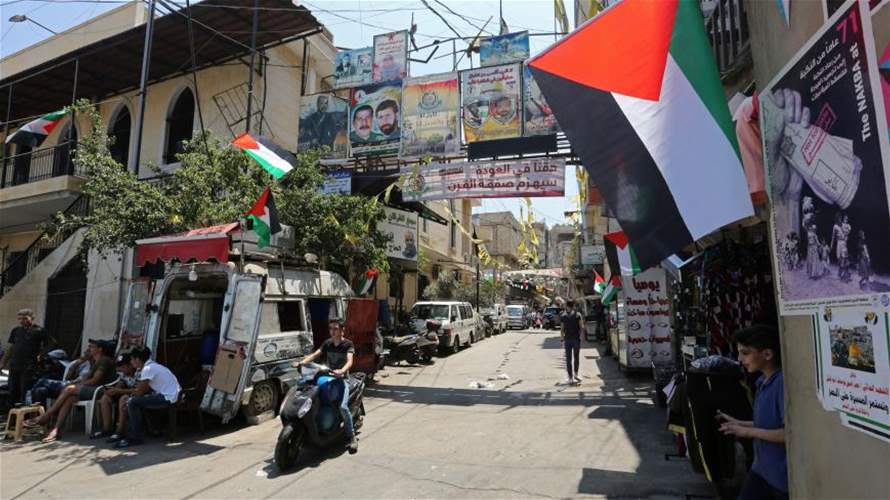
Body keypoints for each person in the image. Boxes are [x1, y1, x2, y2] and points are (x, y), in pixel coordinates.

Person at [717, 325, 787, 500]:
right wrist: (737, 424)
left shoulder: (781, 384)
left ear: (767, 354)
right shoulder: (762, 381)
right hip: (760, 470)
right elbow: (767, 425)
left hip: (779, 478)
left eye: (745, 353)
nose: (739, 359)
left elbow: (787, 434)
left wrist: (747, 432)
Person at [26, 339, 117, 443]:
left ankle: (46, 416)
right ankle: (56, 430)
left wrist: (79, 384)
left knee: (69, 388)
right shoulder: (95, 361)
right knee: (69, 399)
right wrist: (80, 367)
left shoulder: (104, 360)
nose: (89, 349)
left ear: (100, 349)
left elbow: (95, 380)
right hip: (92, 389)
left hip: (100, 390)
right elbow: (87, 378)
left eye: (91, 346)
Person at [293, 319, 358, 454]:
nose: (332, 331)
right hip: (326, 378)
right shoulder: (327, 343)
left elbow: (350, 361)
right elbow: (315, 355)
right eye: (331, 329)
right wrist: (301, 363)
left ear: (342, 330)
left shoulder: (348, 344)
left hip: (342, 379)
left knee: (343, 407)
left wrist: (342, 371)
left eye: (335, 329)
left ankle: (351, 436)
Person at [114, 346, 181, 448]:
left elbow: (139, 392)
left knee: (132, 402)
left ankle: (135, 437)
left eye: (132, 359)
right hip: (171, 395)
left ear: (137, 359)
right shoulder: (153, 366)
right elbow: (141, 391)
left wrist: (128, 400)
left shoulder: (147, 369)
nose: (131, 362)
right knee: (133, 401)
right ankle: (150, 430)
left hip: (169, 397)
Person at [0, 308, 51, 406]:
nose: (22, 321)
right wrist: (3, 362)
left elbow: (49, 346)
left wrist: (41, 356)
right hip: (14, 364)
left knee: (25, 390)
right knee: (12, 390)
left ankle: (24, 411)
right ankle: (11, 411)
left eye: (25, 318)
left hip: (28, 366)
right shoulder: (16, 330)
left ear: (32, 318)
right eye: (20, 319)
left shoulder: (39, 331)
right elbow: (11, 347)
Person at [91, 353, 139, 440]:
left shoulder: (139, 372)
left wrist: (118, 391)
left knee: (123, 398)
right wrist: (112, 390)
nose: (121, 369)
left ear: (130, 365)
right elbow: (120, 385)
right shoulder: (123, 374)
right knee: (105, 398)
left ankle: (119, 431)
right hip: (124, 393)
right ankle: (106, 429)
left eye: (123, 367)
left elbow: (138, 390)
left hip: (135, 395)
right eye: (120, 367)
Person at [560, 300, 586, 385]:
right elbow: (582, 327)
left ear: (567, 306)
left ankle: (570, 378)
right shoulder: (578, 315)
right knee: (576, 357)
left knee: (568, 359)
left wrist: (562, 340)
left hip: (567, 340)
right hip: (576, 339)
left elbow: (562, 329)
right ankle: (576, 374)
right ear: (573, 306)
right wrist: (582, 336)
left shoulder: (563, 316)